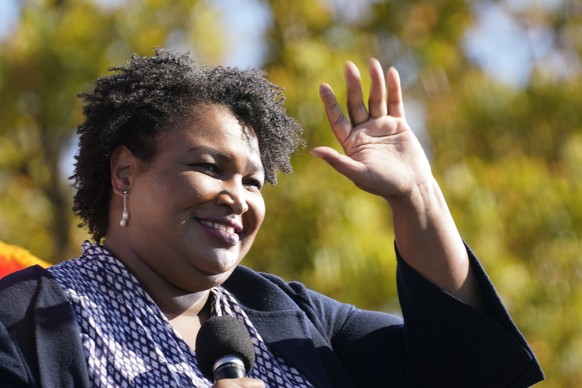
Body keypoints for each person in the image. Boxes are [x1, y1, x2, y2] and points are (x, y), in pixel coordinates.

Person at [0, 49, 543, 387]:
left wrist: (417, 197)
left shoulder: (290, 316)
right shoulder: (21, 321)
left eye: (254, 181)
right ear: (124, 174)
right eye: (210, 167)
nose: (238, 197)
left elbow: (467, 371)